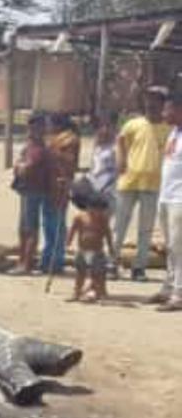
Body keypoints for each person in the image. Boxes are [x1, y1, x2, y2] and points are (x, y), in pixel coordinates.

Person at [115, 86, 171, 282]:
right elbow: (121, 140)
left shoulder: (169, 127)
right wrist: (120, 160)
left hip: (154, 184)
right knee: (120, 225)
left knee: (145, 228)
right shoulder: (134, 124)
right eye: (149, 99)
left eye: (157, 100)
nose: (152, 103)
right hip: (128, 181)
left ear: (164, 103)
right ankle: (112, 263)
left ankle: (139, 267)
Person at [150, 92, 182, 312]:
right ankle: (169, 286)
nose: (164, 113)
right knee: (170, 246)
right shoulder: (173, 133)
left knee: (179, 247)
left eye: (168, 109)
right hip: (166, 196)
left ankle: (179, 294)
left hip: (180, 199)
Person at [12, 112, 52, 275]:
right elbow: (18, 165)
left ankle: (27, 263)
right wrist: (20, 166)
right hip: (25, 189)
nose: (30, 130)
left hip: (34, 190)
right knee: (23, 228)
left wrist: (21, 166)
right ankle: (22, 260)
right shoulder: (29, 145)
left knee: (30, 228)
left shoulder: (39, 148)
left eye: (34, 126)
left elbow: (26, 167)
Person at [42, 112, 80, 274]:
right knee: (48, 223)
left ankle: (56, 260)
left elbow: (70, 160)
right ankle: (47, 257)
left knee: (57, 223)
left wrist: (51, 153)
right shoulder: (54, 138)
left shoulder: (69, 139)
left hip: (60, 183)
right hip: (48, 184)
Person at [66, 179, 114, 303]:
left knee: (98, 274)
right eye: (96, 210)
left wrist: (111, 247)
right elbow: (73, 230)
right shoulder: (80, 218)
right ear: (89, 207)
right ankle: (76, 292)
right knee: (80, 274)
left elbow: (107, 233)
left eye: (101, 210)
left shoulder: (103, 219)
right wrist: (68, 242)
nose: (98, 213)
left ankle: (101, 294)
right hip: (82, 250)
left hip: (97, 251)